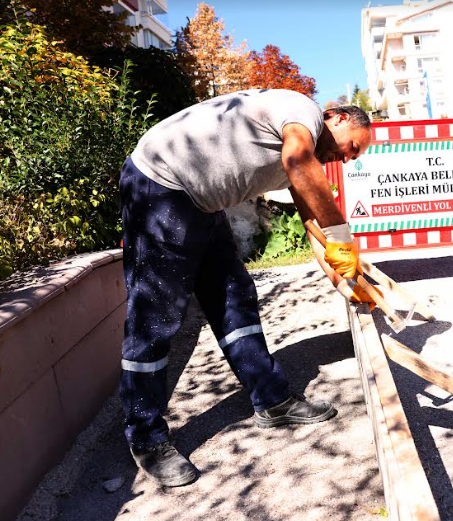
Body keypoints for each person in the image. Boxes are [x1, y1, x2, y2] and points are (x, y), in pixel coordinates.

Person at [118, 89, 373, 487]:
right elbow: (299, 164)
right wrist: (343, 236)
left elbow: (312, 227)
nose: (345, 158)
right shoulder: (302, 114)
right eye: (350, 148)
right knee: (156, 319)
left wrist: (348, 282)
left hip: (201, 200)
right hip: (159, 185)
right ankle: (146, 438)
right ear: (337, 117)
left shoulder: (299, 151)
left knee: (234, 296)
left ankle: (272, 400)